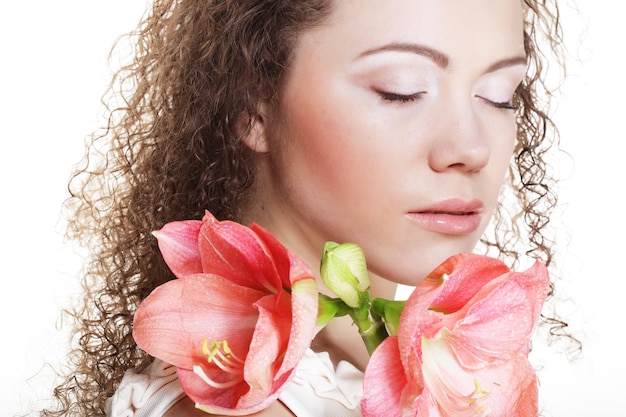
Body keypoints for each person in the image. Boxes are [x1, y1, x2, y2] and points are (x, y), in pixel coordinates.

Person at [43, 0, 574, 416]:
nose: (471, 148)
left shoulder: (441, 379)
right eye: (401, 91)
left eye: (503, 95)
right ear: (253, 106)